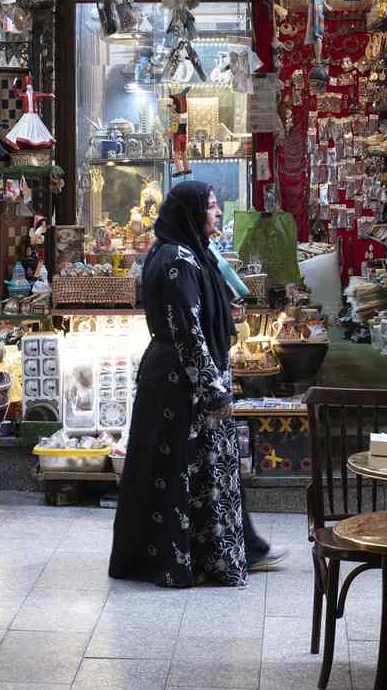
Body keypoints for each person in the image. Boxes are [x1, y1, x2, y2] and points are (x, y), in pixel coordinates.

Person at [109, 181, 282, 587]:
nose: (218, 213)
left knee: (189, 473)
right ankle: (184, 560)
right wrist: (213, 390)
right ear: (190, 214)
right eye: (210, 206)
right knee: (183, 472)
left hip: (178, 379)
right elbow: (188, 331)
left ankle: (206, 555)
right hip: (182, 384)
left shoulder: (188, 253)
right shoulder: (177, 260)